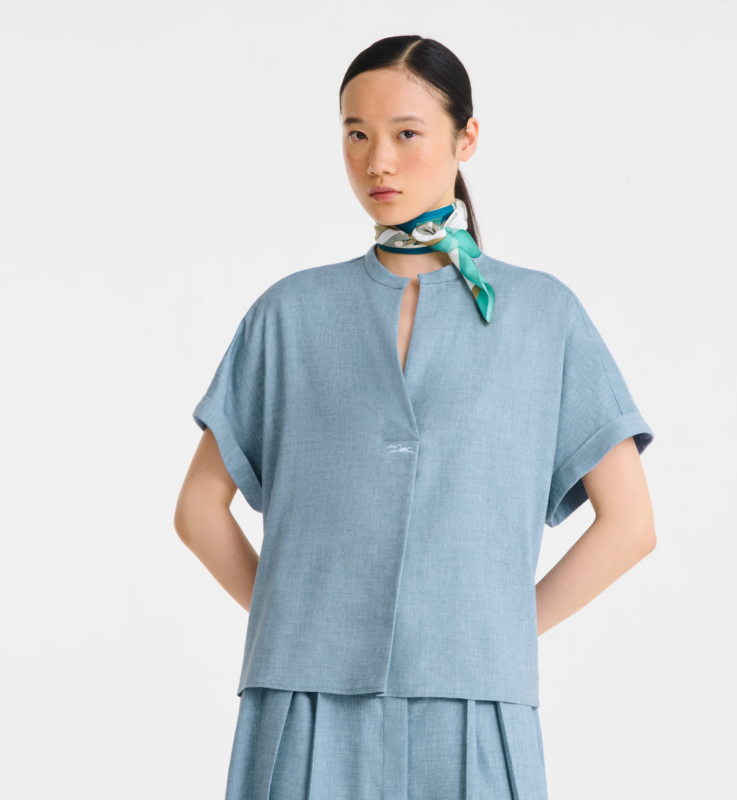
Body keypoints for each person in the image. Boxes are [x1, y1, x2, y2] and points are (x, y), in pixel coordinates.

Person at [174, 34, 656, 800]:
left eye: (406, 133)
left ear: (466, 137)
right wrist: (300, 626)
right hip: (302, 702)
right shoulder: (289, 314)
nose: (378, 162)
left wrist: (498, 633)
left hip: (475, 703)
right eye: (356, 134)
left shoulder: (543, 315)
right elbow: (199, 509)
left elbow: (630, 523)